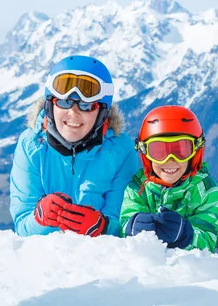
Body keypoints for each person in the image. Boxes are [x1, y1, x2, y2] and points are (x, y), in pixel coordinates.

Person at [9, 55, 140, 237]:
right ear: (50, 106)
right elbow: (22, 226)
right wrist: (39, 218)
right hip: (42, 259)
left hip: (102, 261)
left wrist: (102, 227)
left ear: (102, 112)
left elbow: (128, 225)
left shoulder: (121, 151)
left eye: (86, 106)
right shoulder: (31, 145)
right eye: (63, 102)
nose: (73, 113)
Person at [119, 105, 218, 251]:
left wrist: (186, 235)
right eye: (158, 151)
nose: (170, 159)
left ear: (195, 152)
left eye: (181, 150)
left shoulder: (205, 188)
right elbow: (125, 222)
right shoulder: (138, 187)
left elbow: (209, 238)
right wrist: (131, 226)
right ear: (145, 154)